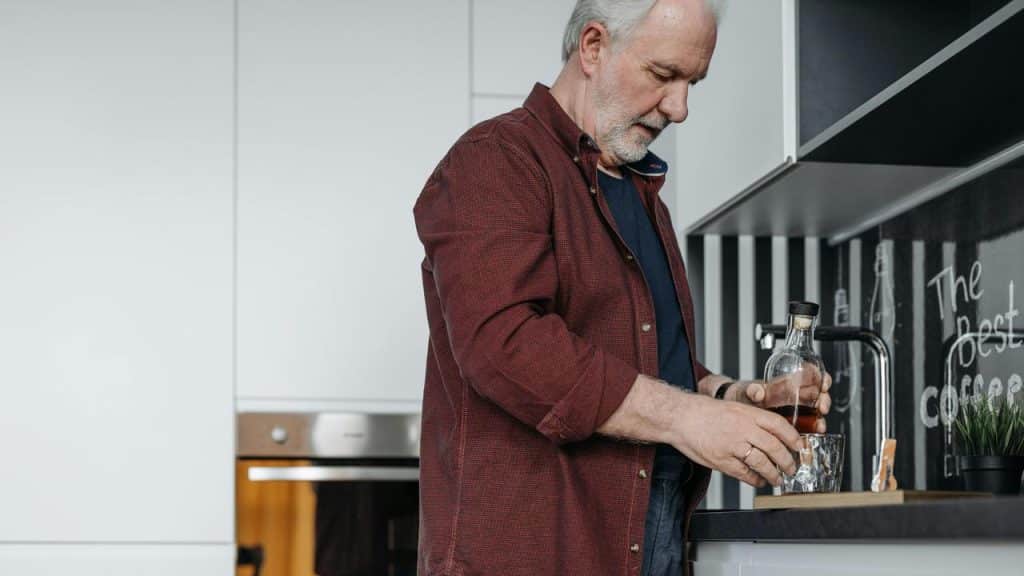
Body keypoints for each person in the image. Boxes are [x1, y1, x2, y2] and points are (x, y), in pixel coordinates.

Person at [413, 1, 832, 574]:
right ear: (592, 47)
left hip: (649, 539)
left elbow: (642, 362)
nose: (679, 108)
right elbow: (503, 344)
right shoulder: (496, 161)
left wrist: (731, 400)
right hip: (535, 554)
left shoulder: (634, 189)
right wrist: (690, 419)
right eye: (663, 75)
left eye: (693, 83)